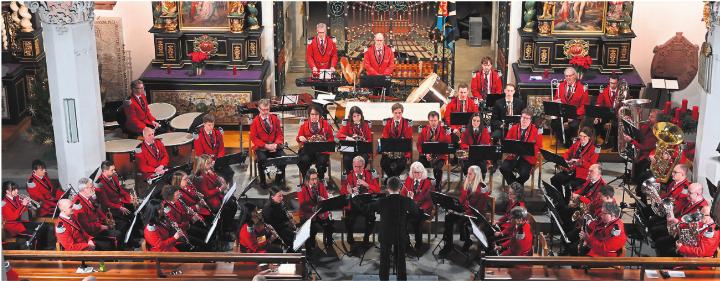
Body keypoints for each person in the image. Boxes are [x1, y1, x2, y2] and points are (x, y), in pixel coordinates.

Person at [368, 176, 417, 281]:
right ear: (400, 188)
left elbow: (367, 208)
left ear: (387, 188)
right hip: (400, 234)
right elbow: (415, 211)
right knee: (401, 261)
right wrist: (411, 199)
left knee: (384, 260)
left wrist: (353, 195)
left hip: (386, 235)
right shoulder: (406, 200)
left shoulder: (382, 201)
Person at [440, 165, 490, 256]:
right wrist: (455, 208)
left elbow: (479, 208)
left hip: (475, 214)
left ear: (476, 175)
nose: (467, 175)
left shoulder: (482, 188)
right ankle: (448, 244)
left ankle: (467, 241)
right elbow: (462, 200)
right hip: (465, 211)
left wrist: (462, 212)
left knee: (461, 221)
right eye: (467, 173)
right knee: (448, 217)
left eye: (470, 174)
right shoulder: (467, 183)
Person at [550, 127, 599, 202]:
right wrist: (565, 160)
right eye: (580, 136)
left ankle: (565, 203)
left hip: (583, 175)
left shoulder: (594, 149)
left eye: (584, 136)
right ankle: (561, 198)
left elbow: (592, 165)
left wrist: (579, 161)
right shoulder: (577, 143)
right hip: (571, 170)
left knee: (568, 186)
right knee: (554, 179)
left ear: (589, 137)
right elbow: (567, 153)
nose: (582, 138)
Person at [341, 156, 381, 245]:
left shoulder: (371, 174)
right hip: (353, 203)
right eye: (356, 167)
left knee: (371, 218)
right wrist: (349, 191)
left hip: (366, 203)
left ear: (364, 166)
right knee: (348, 218)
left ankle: (366, 237)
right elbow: (342, 191)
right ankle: (350, 235)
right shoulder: (346, 175)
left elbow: (377, 190)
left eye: (360, 167)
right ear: (352, 165)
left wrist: (367, 185)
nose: (358, 169)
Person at [72, 178, 120, 249]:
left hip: (96, 227)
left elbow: (97, 210)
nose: (94, 188)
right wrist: (103, 227)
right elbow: (86, 226)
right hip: (91, 233)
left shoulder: (89, 197)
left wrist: (106, 220)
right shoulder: (78, 204)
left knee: (118, 230)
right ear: (84, 189)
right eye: (91, 187)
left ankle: (117, 254)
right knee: (116, 236)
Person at [500, 108, 542, 186]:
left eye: (527, 118)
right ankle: (514, 186)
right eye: (523, 117)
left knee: (525, 174)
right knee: (503, 168)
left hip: (526, 158)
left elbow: (539, 147)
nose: (524, 120)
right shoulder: (514, 128)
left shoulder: (536, 131)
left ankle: (515, 186)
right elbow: (507, 142)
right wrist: (510, 150)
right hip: (513, 156)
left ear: (530, 120)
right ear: (520, 118)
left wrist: (530, 150)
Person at [94, 161, 135, 242]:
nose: (114, 171)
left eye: (114, 169)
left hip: (119, 204)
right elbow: (106, 203)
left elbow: (120, 190)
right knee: (126, 221)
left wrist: (129, 197)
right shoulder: (100, 184)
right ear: (105, 171)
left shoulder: (114, 176)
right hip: (111, 210)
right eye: (112, 170)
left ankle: (132, 237)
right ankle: (127, 241)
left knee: (134, 214)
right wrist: (119, 207)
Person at [250, 99, 286, 189]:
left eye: (267, 109)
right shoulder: (255, 122)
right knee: (262, 160)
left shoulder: (274, 119)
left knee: (284, 159)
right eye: (263, 110)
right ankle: (263, 181)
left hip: (274, 146)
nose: (266, 112)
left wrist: (276, 144)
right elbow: (254, 138)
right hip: (262, 147)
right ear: (259, 109)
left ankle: (278, 180)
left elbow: (280, 134)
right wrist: (266, 146)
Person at [297, 168, 334, 254]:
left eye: (316, 179)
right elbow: (302, 205)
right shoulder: (300, 188)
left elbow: (326, 198)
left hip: (320, 213)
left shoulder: (320, 185)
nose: (315, 181)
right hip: (307, 214)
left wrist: (323, 200)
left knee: (329, 224)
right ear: (307, 179)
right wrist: (313, 208)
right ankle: (309, 249)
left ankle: (329, 242)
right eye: (312, 179)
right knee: (311, 229)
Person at [552, 67, 588, 148]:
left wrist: (573, 116)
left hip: (575, 115)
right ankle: (565, 142)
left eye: (570, 76)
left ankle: (570, 142)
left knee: (573, 125)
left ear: (575, 76)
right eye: (566, 76)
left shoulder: (582, 88)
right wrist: (556, 102)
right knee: (554, 124)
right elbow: (555, 99)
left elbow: (584, 106)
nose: (568, 78)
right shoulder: (560, 86)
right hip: (562, 115)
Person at [297, 104, 335, 180]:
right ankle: (306, 179)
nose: (314, 117)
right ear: (309, 115)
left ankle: (320, 179)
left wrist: (326, 141)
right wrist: (300, 138)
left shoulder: (326, 124)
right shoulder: (304, 124)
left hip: (322, 150)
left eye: (316, 114)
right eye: (312, 114)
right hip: (308, 150)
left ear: (320, 115)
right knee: (303, 160)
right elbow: (298, 137)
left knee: (322, 162)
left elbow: (331, 138)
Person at [401, 162, 434, 249]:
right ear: (412, 172)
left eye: (419, 172)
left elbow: (427, 198)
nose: (417, 174)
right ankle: (406, 242)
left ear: (423, 172)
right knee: (401, 220)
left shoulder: (427, 182)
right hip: (410, 208)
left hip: (423, 208)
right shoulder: (409, 179)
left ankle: (418, 243)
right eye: (415, 172)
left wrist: (414, 201)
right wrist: (407, 196)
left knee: (417, 221)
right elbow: (402, 194)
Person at [416, 111, 451, 190]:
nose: (433, 123)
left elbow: (447, 144)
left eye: (435, 120)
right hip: (426, 154)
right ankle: (421, 184)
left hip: (439, 155)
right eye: (431, 121)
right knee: (418, 166)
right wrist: (426, 154)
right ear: (428, 121)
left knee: (437, 169)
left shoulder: (444, 130)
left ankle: (438, 185)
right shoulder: (424, 130)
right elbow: (419, 144)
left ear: (438, 121)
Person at [381, 103, 413, 179]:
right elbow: (385, 137)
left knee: (402, 165)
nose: (398, 115)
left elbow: (408, 139)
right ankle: (394, 178)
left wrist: (407, 155)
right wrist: (386, 151)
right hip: (390, 152)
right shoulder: (388, 122)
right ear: (392, 113)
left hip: (402, 153)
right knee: (383, 163)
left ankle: (391, 179)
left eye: (399, 113)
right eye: (395, 113)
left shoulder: (407, 123)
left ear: (402, 112)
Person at [337, 106, 373, 173]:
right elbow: (339, 135)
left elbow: (370, 139)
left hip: (362, 150)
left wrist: (365, 141)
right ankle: (350, 175)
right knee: (347, 159)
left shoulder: (365, 124)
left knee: (363, 160)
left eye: (358, 115)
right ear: (351, 117)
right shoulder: (347, 124)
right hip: (350, 150)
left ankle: (359, 175)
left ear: (361, 115)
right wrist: (348, 138)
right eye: (354, 116)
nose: (356, 118)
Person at [459, 112, 492, 178]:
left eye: (478, 121)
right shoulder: (466, 131)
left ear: (480, 122)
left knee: (483, 168)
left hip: (481, 155)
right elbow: (462, 143)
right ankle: (469, 182)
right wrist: (470, 148)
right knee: (466, 167)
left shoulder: (485, 131)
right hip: (469, 154)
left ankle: (480, 183)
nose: (475, 123)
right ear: (471, 121)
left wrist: (479, 149)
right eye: (474, 120)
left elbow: (486, 143)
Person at [595, 73, 621, 149]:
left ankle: (616, 147)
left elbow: (624, 106)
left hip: (617, 116)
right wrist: (597, 117)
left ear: (618, 82)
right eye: (611, 83)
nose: (612, 85)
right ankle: (605, 142)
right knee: (596, 123)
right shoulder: (604, 91)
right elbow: (599, 104)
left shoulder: (622, 92)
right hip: (606, 115)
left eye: (614, 83)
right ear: (609, 82)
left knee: (616, 126)